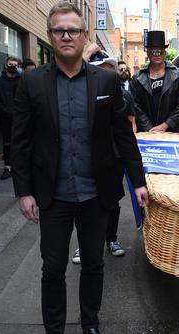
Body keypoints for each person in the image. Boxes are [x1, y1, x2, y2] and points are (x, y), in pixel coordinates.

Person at [10, 1, 148, 334]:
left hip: (95, 193)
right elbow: (20, 142)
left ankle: (90, 324)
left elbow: (123, 137)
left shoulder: (106, 81)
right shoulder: (31, 82)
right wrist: (24, 191)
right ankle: (54, 328)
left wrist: (138, 181)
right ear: (49, 36)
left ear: (85, 35)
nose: (67, 35)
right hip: (53, 194)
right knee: (53, 268)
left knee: (94, 264)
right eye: (59, 30)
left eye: (73, 30)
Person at [71, 50, 133, 265]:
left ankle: (111, 239)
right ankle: (84, 243)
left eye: (109, 70)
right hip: (88, 157)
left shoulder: (124, 95)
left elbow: (130, 127)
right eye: (100, 69)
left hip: (113, 157)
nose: (105, 75)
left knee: (112, 201)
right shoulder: (80, 93)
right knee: (85, 202)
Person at [130, 30, 179, 132]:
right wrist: (149, 128)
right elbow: (135, 105)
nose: (157, 55)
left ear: (165, 53)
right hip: (146, 133)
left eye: (160, 51)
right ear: (148, 53)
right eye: (153, 51)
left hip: (172, 132)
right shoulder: (137, 78)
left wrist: (165, 125)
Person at [0, 56, 21, 180]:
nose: (13, 66)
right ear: (5, 65)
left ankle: (20, 167)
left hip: (20, 118)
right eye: (11, 64)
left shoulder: (22, 81)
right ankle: (8, 167)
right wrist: (4, 111)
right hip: (5, 118)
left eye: (15, 65)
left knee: (20, 142)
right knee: (7, 143)